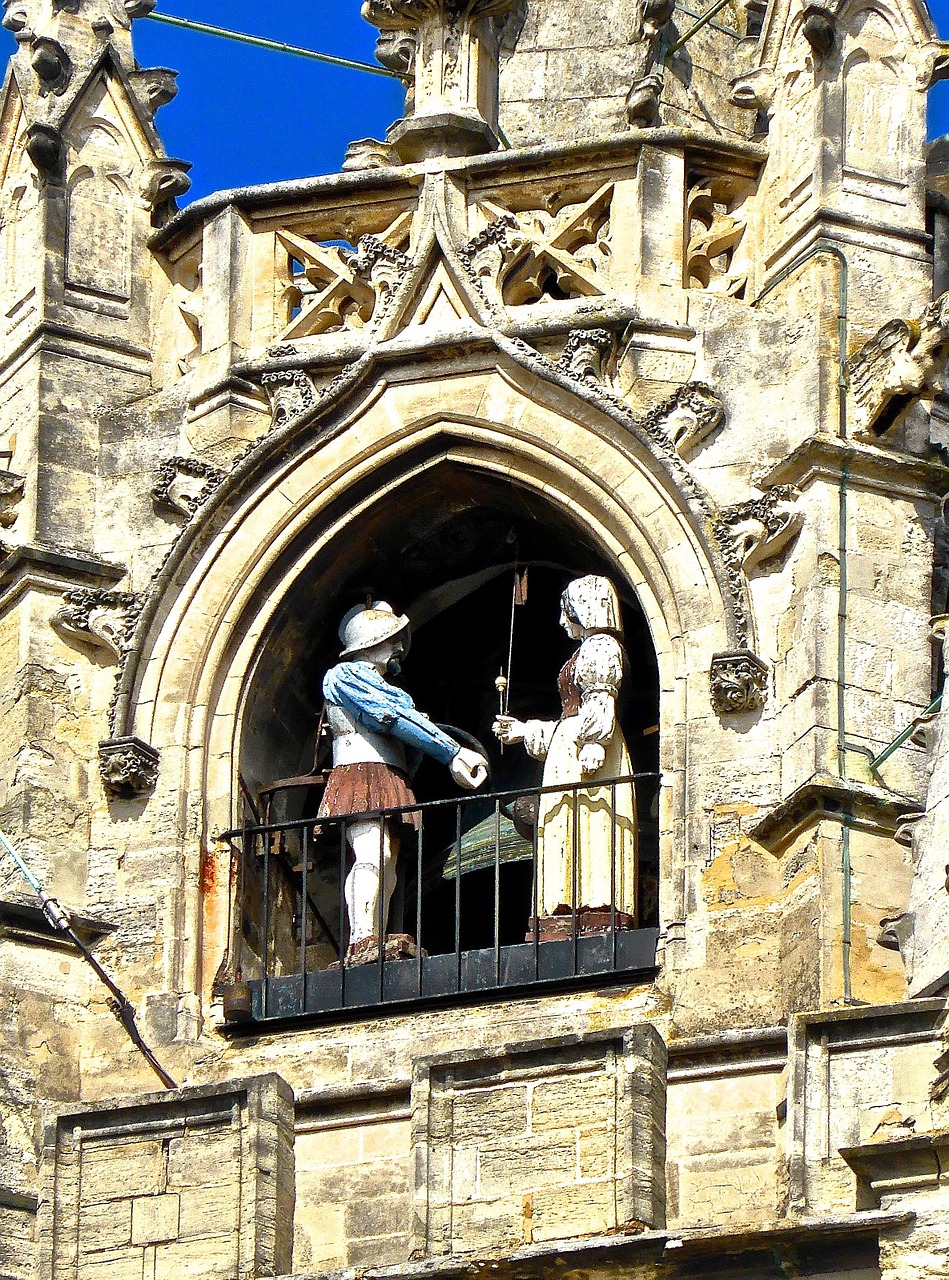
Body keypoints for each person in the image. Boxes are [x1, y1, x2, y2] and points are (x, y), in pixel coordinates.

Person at [320, 601, 488, 963]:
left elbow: (403, 725)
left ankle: (373, 938)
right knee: (371, 853)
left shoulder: (385, 687)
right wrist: (451, 751)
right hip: (362, 771)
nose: (398, 648)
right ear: (369, 641)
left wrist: (430, 738)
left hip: (387, 774)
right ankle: (362, 938)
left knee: (388, 862)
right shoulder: (346, 676)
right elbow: (389, 717)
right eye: (391, 640)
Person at [493, 576, 637, 926]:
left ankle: (593, 903)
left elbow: (600, 697)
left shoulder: (601, 646)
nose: (561, 621)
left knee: (588, 815)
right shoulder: (586, 649)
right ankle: (568, 904)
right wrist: (524, 730)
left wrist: (594, 744)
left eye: (567, 612)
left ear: (584, 609)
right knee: (569, 818)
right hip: (572, 742)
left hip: (587, 748)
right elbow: (568, 720)